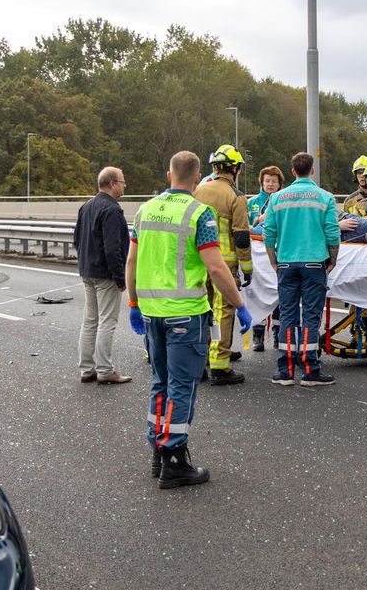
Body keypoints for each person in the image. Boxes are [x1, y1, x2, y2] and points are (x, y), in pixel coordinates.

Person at [126, 150, 253, 489]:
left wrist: (134, 303)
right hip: (186, 315)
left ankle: (157, 448)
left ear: (169, 175)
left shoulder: (145, 210)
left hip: (152, 314)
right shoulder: (200, 213)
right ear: (197, 179)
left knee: (160, 384)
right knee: (182, 387)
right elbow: (215, 266)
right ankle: (174, 459)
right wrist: (238, 304)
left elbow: (132, 261)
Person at [262, 151, 341, 386]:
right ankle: (309, 370)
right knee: (310, 315)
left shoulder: (277, 198)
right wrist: (333, 259)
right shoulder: (324, 197)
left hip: (286, 262)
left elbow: (268, 233)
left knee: (287, 314)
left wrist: (273, 260)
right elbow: (332, 233)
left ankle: (284, 370)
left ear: (293, 171)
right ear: (312, 171)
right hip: (314, 262)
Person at [193, 144, 254, 386]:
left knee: (201, 310)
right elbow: (241, 236)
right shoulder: (236, 196)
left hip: (198, 263)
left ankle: (203, 360)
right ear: (235, 168)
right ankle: (220, 365)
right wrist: (247, 269)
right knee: (223, 311)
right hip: (225, 265)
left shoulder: (197, 191)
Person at [73, 166, 132, 385]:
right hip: (105, 274)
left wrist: (84, 265)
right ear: (112, 183)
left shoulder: (86, 206)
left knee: (90, 321)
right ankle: (105, 370)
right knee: (107, 321)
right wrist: (120, 278)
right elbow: (112, 248)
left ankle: (87, 369)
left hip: (88, 271)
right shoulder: (112, 210)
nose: (125, 186)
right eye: (123, 182)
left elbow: (77, 240)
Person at [247, 165, 285, 352]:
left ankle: (279, 333)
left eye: (274, 181)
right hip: (255, 254)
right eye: (267, 181)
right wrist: (254, 225)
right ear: (261, 182)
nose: (270, 184)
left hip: (276, 252)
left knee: (279, 292)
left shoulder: (282, 202)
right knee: (256, 293)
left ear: (280, 184)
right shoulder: (251, 202)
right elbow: (244, 226)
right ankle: (258, 334)